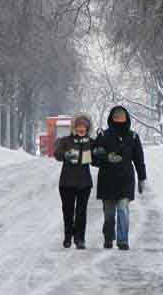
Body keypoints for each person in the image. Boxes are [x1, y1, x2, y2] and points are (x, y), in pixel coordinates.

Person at [93, 105, 146, 251]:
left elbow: (139, 159)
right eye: (116, 118)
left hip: (125, 179)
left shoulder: (133, 137)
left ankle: (123, 240)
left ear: (126, 119)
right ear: (111, 119)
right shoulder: (103, 136)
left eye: (122, 118)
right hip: (107, 179)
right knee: (109, 213)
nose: (119, 120)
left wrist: (142, 178)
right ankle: (109, 237)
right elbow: (94, 157)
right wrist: (106, 157)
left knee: (123, 209)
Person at [53, 113, 94, 249]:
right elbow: (57, 154)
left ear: (88, 128)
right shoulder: (66, 141)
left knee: (81, 212)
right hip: (67, 183)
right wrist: (65, 154)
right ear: (74, 127)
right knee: (68, 211)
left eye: (84, 126)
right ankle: (68, 236)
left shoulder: (90, 142)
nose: (81, 129)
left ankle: (80, 239)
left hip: (85, 184)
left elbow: (97, 160)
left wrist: (99, 153)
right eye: (79, 126)